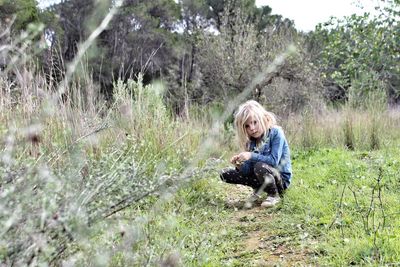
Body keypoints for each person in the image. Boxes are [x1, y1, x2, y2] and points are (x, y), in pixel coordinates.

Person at [220, 100, 292, 208]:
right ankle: (259, 188)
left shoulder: (276, 133)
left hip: (280, 179)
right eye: (247, 126)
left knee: (259, 166)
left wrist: (251, 155)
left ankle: (274, 195)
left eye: (255, 122)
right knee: (224, 173)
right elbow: (248, 170)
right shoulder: (251, 141)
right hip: (261, 175)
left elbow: (274, 161)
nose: (252, 128)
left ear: (262, 118)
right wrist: (239, 165)